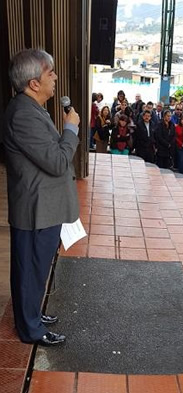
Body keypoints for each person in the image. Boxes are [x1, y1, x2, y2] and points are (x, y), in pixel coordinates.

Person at [4, 48, 81, 346]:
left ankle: (32, 313)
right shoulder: (23, 115)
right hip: (36, 209)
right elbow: (58, 161)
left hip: (45, 207)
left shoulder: (32, 109)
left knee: (36, 267)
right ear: (34, 83)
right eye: (50, 73)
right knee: (30, 270)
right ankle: (30, 329)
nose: (55, 78)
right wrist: (71, 129)